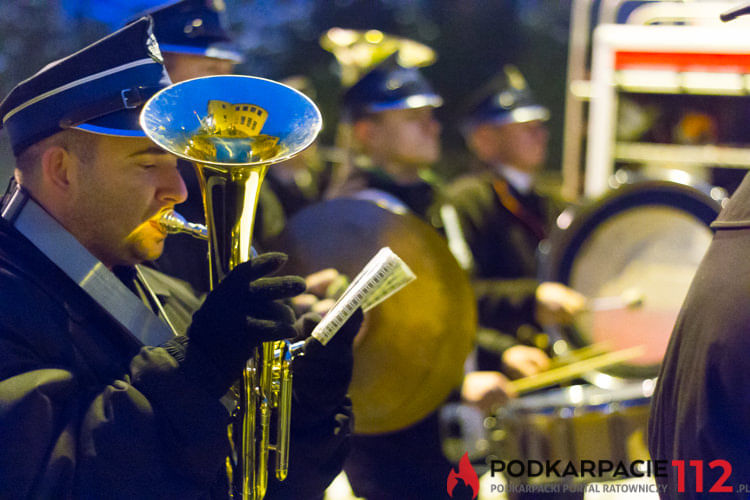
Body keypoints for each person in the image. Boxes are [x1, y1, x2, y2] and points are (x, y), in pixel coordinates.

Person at [0, 18, 360, 499]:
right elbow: (52, 479)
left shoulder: (174, 298)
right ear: (61, 170)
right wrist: (194, 369)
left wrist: (307, 409)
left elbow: (247, 483)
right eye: (149, 164)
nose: (178, 190)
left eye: (177, 165)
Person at [329, 55, 526, 500]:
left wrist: (499, 352)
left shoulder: (431, 200)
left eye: (431, 116)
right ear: (367, 133)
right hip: (390, 439)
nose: (433, 127)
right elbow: (375, 337)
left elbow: (443, 309)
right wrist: (460, 385)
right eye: (414, 118)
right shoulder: (356, 214)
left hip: (442, 425)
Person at [140, 0, 326, 293]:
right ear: (160, 77)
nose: (225, 88)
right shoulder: (145, 180)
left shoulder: (238, 158)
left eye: (228, 70)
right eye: (211, 70)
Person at [443, 66, 585, 373]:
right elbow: (458, 295)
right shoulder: (466, 200)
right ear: (484, 138)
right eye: (525, 126)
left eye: (540, 125)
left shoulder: (551, 202)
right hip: (494, 369)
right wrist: (529, 300)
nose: (541, 134)